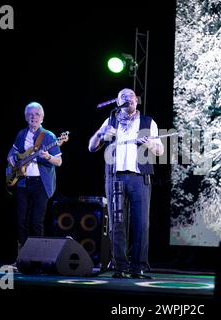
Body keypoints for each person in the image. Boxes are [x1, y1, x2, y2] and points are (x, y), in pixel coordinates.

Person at [88, 88, 164, 279]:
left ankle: (138, 266)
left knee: (141, 223)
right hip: (115, 178)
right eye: (124, 97)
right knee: (117, 224)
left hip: (139, 178)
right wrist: (101, 134)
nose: (128, 99)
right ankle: (120, 266)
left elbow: (160, 150)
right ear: (117, 102)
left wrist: (150, 144)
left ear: (136, 102)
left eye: (131, 97)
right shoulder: (111, 121)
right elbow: (91, 147)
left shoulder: (147, 122)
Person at [7, 101, 63, 251]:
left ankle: (37, 256)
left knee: (36, 221)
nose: (34, 117)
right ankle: (22, 256)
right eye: (30, 115)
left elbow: (59, 161)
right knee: (20, 221)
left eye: (37, 114)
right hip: (23, 182)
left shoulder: (49, 136)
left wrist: (47, 157)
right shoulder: (21, 134)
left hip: (40, 183)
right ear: (26, 117)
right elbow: (12, 152)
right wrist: (11, 158)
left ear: (42, 118)